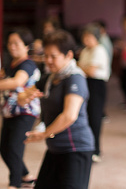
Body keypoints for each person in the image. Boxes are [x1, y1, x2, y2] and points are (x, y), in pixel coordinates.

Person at [19, 30, 95, 189]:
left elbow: (69, 116)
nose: (48, 60)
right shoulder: (49, 78)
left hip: (76, 149)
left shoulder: (75, 78)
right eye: (46, 55)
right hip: (55, 148)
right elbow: (22, 97)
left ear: (68, 55)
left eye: (53, 56)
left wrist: (44, 134)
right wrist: (24, 97)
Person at [0, 28, 40, 189]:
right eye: (10, 43)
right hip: (9, 112)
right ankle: (25, 176)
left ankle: (14, 184)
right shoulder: (11, 64)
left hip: (25, 112)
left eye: (16, 43)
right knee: (4, 148)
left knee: (15, 148)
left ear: (26, 46)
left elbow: (17, 82)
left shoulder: (28, 64)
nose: (12, 46)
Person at [78, 24, 111, 163]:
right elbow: (79, 67)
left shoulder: (99, 50)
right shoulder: (85, 50)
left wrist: (83, 68)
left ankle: (95, 150)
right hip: (86, 83)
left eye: (88, 37)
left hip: (97, 85)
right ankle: (87, 147)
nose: (86, 40)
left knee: (95, 118)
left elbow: (90, 71)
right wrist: (84, 68)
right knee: (86, 117)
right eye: (84, 37)